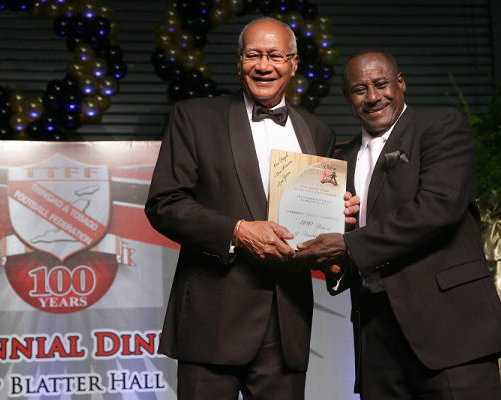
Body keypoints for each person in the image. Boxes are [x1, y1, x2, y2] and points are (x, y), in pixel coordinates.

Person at [145, 17, 357, 399]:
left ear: (294, 63)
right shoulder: (194, 118)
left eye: (275, 55)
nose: (264, 65)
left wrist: (339, 222)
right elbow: (164, 204)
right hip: (212, 321)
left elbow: (315, 222)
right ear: (238, 61)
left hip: (286, 323)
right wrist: (238, 231)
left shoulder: (318, 131)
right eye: (253, 55)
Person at [295, 49, 501, 399]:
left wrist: (348, 244)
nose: (372, 97)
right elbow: (345, 238)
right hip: (376, 333)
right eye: (359, 89)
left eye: (381, 84)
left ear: (401, 84)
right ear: (348, 98)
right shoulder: (340, 161)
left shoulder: (441, 127)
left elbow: (438, 208)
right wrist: (335, 261)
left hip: (451, 328)